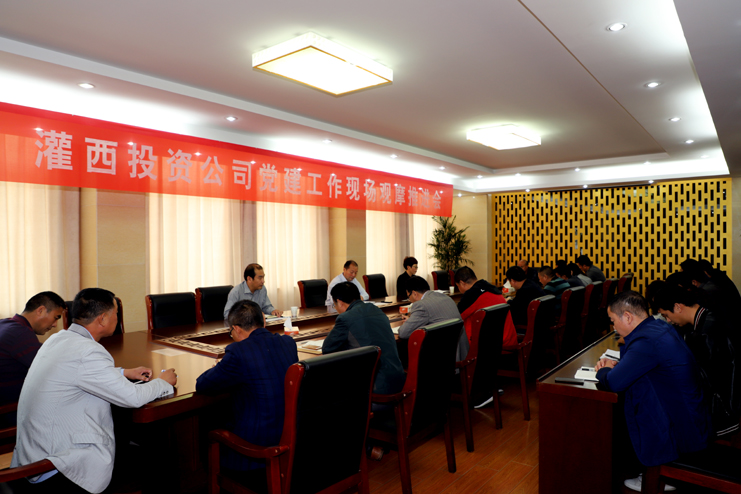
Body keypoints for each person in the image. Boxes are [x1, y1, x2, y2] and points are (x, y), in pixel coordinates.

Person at [11, 288, 177, 494]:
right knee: (157, 457)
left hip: (33, 455)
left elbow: (77, 372)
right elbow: (133, 397)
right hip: (59, 466)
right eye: (116, 313)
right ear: (103, 319)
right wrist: (163, 382)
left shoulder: (59, 339)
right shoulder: (88, 351)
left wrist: (123, 372)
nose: (117, 318)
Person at [595, 291, 710, 491]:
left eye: (613, 321)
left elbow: (613, 383)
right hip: (693, 413)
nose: (613, 327)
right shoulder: (659, 327)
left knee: (619, 413)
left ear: (628, 317)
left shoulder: (646, 341)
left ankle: (658, 474)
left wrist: (603, 370)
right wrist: (621, 367)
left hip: (680, 429)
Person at [197, 300, 298, 472]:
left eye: (230, 332)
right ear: (263, 321)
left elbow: (203, 385)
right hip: (289, 440)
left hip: (255, 452)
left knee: (207, 428)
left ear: (236, 329)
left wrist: (220, 367)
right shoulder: (288, 343)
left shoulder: (238, 352)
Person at [655, 285, 741, 437]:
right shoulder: (709, 316)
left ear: (678, 307)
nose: (668, 320)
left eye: (666, 315)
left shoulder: (706, 333)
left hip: (723, 410)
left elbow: (705, 379)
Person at [323, 282, 405, 395]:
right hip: (399, 378)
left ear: (340, 303)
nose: (336, 309)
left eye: (334, 305)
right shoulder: (376, 310)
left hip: (376, 386)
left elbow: (327, 349)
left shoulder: (345, 318)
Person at [0, 291, 66, 421]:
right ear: (40, 310)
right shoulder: (20, 333)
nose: (54, 325)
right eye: (56, 317)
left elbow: (42, 353)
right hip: (8, 411)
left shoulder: (6, 324)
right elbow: (53, 369)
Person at [398, 276, 468, 362]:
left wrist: (408, 322)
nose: (410, 300)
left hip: (440, 358)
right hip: (460, 353)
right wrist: (412, 319)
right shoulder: (446, 297)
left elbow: (403, 333)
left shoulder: (421, 305)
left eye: (409, 296)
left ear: (414, 293)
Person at [454, 266, 517, 348]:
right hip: (508, 340)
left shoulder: (471, 295)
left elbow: (456, 317)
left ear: (462, 283)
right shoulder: (492, 289)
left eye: (457, 286)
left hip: (492, 346)